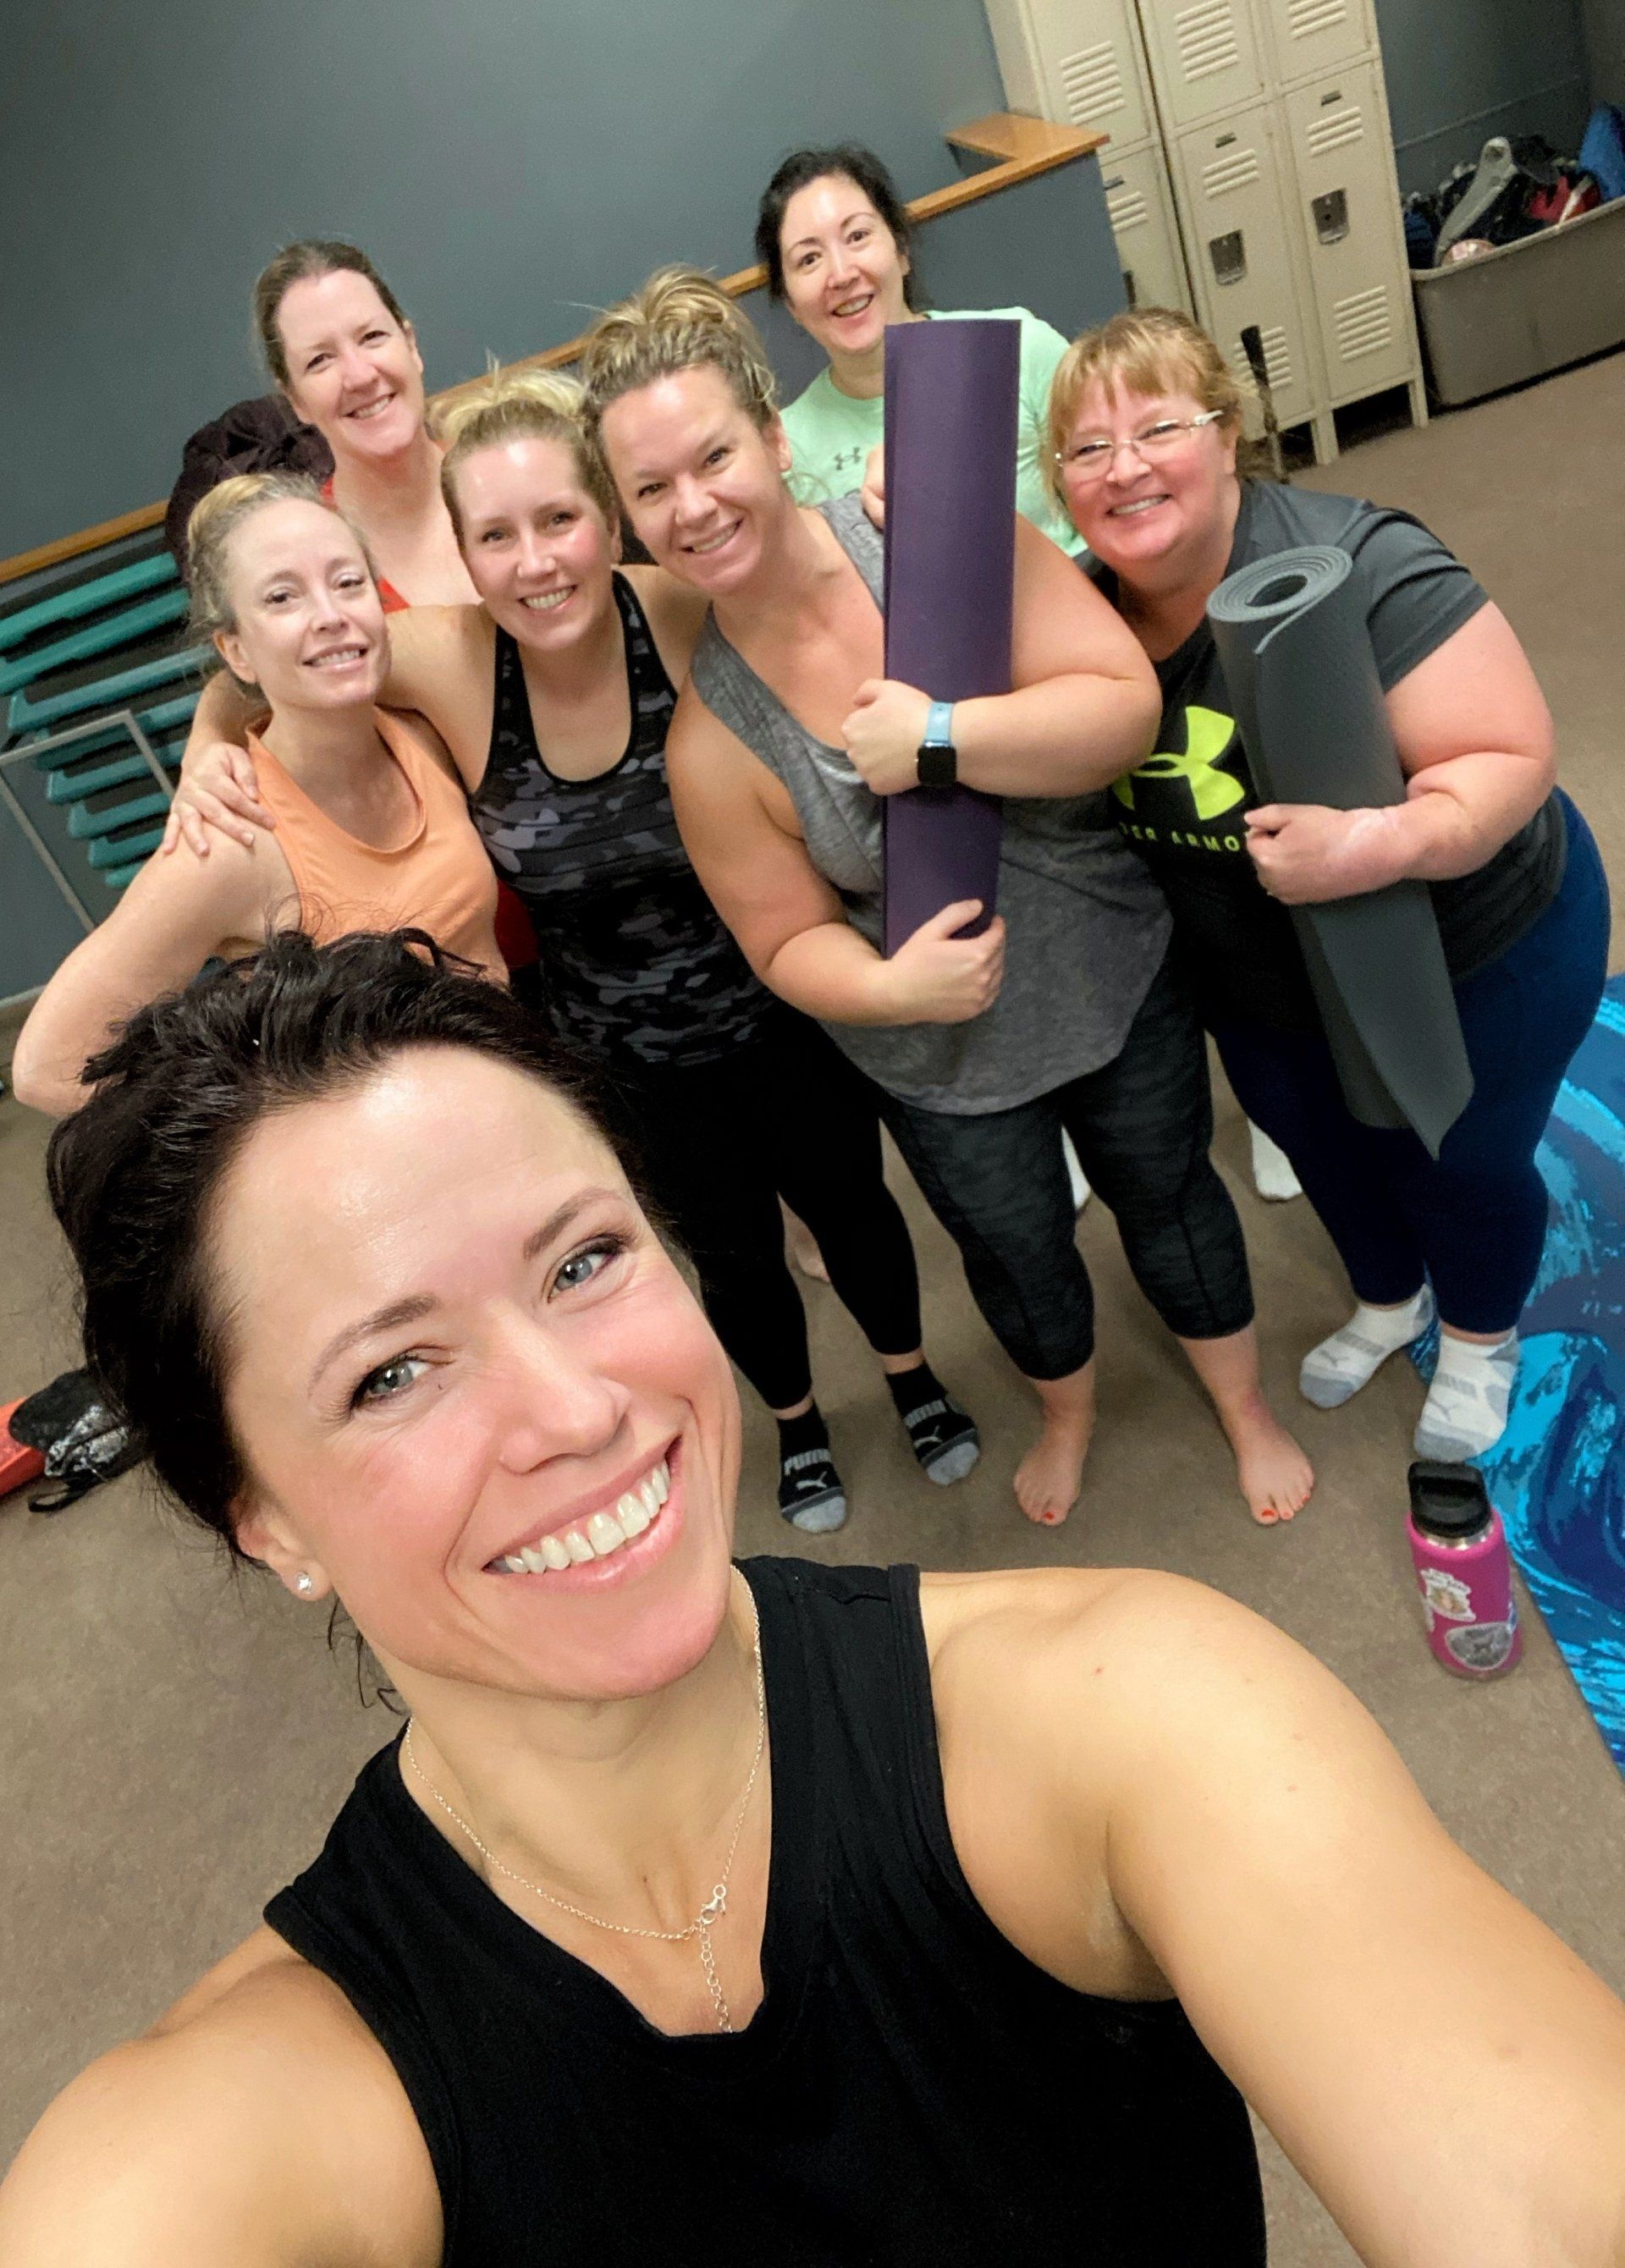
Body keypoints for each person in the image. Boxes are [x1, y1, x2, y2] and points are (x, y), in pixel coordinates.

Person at [5, 930, 1625, 2267]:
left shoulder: (1129, 1706)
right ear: (263, 1517)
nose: (575, 1411)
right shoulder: (231, 2131)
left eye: (583, 1263)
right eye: (394, 1372)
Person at [163, 372, 967, 1535]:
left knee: (853, 1207)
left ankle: (913, 1377)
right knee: (729, 1256)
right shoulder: (442, 655)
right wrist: (205, 741)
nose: (535, 563)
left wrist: (892, 504)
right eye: (495, 536)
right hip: (617, 1057)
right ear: (465, 554)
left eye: (558, 521)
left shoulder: (680, 612)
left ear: (606, 518)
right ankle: (796, 1424)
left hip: (783, 996)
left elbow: (812, 575)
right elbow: (286, 655)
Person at [579, 268, 1314, 1531]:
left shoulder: (934, 532)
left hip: (1111, 974)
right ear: (628, 518)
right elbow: (781, 938)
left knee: (1172, 1196)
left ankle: (1243, 1408)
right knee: (1017, 1254)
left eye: (712, 456)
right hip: (940, 1056)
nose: (693, 505)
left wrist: (937, 736)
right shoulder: (713, 739)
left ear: (771, 434)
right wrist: (881, 990)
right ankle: (1070, 1414)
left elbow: (1121, 711)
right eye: (652, 489)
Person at [1052, 306, 1610, 1462]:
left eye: (1157, 426)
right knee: (1320, 1144)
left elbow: (1509, 759)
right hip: (1261, 975)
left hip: (1475, 939)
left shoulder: (1358, 561)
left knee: (1456, 1158)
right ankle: (1388, 1299)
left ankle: (1477, 1336)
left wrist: (1377, 845)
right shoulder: (1072, 617)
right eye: (1087, 448)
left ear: (1227, 434)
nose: (1125, 468)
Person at [9, 476, 500, 1117]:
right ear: (236, 650)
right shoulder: (232, 840)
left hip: (504, 1099)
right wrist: (262, 1125)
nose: (330, 615)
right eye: (283, 597)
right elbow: (46, 1068)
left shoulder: (419, 734)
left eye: (348, 582)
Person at [758, 143, 1083, 558]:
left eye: (857, 236)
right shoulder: (789, 450)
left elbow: (1110, 498)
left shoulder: (1017, 345)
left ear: (902, 250)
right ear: (791, 306)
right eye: (808, 259)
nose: (840, 274)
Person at [252, 239, 476, 607]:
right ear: (296, 401)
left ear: (411, 345)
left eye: (372, 337)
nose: (359, 376)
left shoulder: (509, 476)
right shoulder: (304, 561)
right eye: (320, 360)